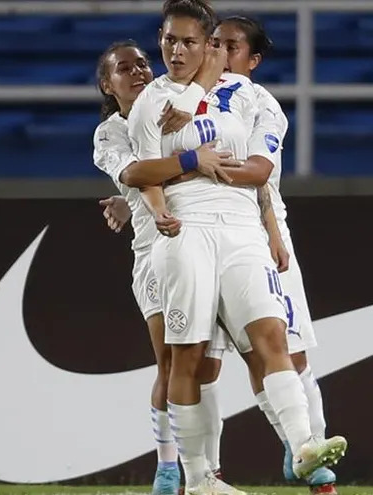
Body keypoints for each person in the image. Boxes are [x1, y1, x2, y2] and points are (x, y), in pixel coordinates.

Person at [101, 15, 340, 495]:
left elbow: (260, 173)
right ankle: (191, 475)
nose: (176, 51)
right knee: (186, 358)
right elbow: (142, 173)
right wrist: (184, 172)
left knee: (273, 338)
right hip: (180, 233)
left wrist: (270, 228)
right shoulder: (150, 104)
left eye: (191, 41)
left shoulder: (250, 98)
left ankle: (304, 447)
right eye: (170, 40)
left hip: (244, 228)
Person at [91, 39, 240, 495]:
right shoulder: (110, 133)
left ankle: (207, 471)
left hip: (205, 242)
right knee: (171, 360)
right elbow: (138, 173)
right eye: (124, 68)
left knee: (207, 366)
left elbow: (214, 62)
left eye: (142, 64)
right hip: (156, 250)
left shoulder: (173, 103)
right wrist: (192, 161)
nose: (138, 72)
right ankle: (168, 469)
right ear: (106, 83)